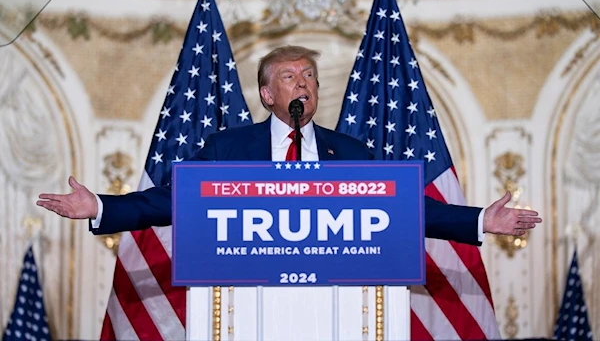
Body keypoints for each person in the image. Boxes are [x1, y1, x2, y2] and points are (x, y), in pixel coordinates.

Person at [36, 46, 541, 246]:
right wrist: (100, 205)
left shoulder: (355, 154)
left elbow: (404, 209)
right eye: (288, 76)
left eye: (310, 77)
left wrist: (479, 220)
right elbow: (168, 200)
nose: (302, 84)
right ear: (266, 93)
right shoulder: (228, 148)